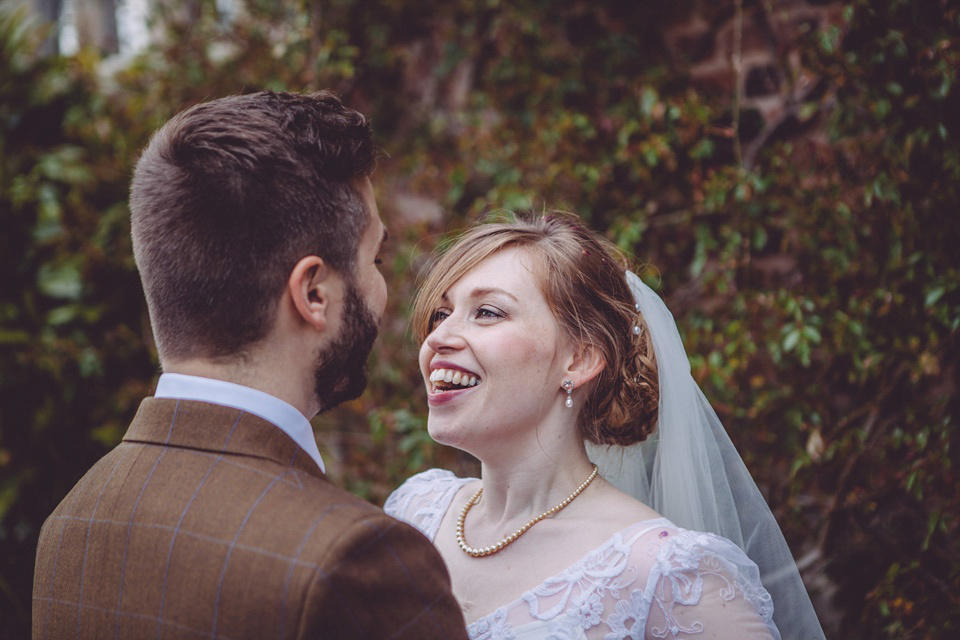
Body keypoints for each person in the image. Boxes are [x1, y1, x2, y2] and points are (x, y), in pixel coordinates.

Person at [32, 91, 468, 639]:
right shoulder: (357, 562)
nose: (382, 287)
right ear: (313, 292)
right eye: (373, 259)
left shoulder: (73, 521)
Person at [385, 213, 825, 639]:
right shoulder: (415, 515)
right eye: (441, 315)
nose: (437, 338)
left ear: (579, 359)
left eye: (487, 312)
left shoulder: (666, 575)